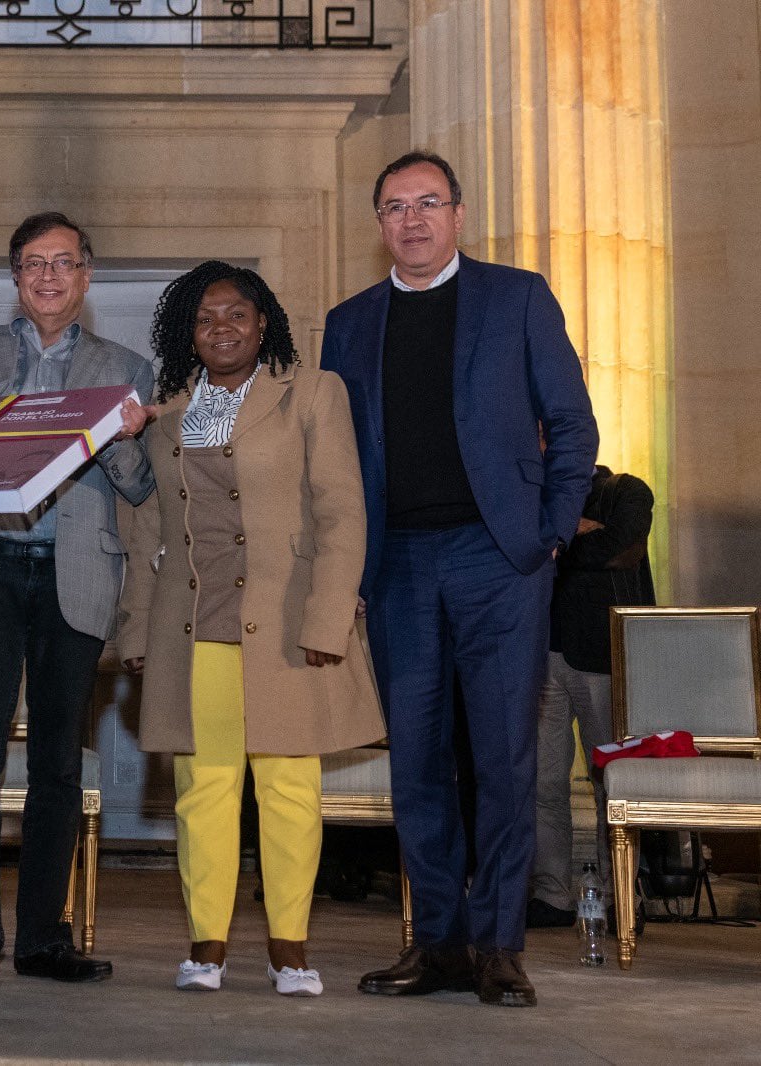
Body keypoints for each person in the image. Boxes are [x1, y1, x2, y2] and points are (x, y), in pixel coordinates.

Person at [321, 151, 598, 1007]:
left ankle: (499, 946)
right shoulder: (348, 322)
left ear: (459, 213)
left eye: (428, 203)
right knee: (417, 764)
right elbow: (340, 456)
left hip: (497, 559)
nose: (413, 220)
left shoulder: (517, 298)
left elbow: (573, 426)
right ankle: (437, 944)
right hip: (398, 565)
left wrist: (544, 536)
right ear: (378, 225)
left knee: (506, 759)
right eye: (395, 207)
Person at [119, 261, 384, 996]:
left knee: (289, 784)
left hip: (286, 624)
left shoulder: (312, 395)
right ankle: (205, 946)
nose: (223, 328)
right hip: (192, 624)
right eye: (206, 319)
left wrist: (330, 612)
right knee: (201, 787)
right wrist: (136, 629)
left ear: (263, 322)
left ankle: (290, 947)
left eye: (237, 314)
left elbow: (342, 509)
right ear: (188, 333)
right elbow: (145, 530)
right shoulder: (165, 417)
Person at [0, 211, 153, 988]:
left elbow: (142, 487)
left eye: (64, 263)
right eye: (34, 263)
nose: (49, 277)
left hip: (77, 574)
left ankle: (41, 939)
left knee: (59, 766)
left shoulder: (126, 367)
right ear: (16, 277)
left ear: (86, 276)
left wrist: (124, 438)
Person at [528, 466, 655, 927]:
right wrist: (569, 535)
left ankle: (619, 894)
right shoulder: (533, 493)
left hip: (603, 656)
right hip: (542, 652)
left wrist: (556, 541)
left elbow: (620, 548)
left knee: (614, 784)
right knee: (542, 781)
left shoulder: (627, 490)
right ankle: (553, 894)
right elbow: (520, 549)